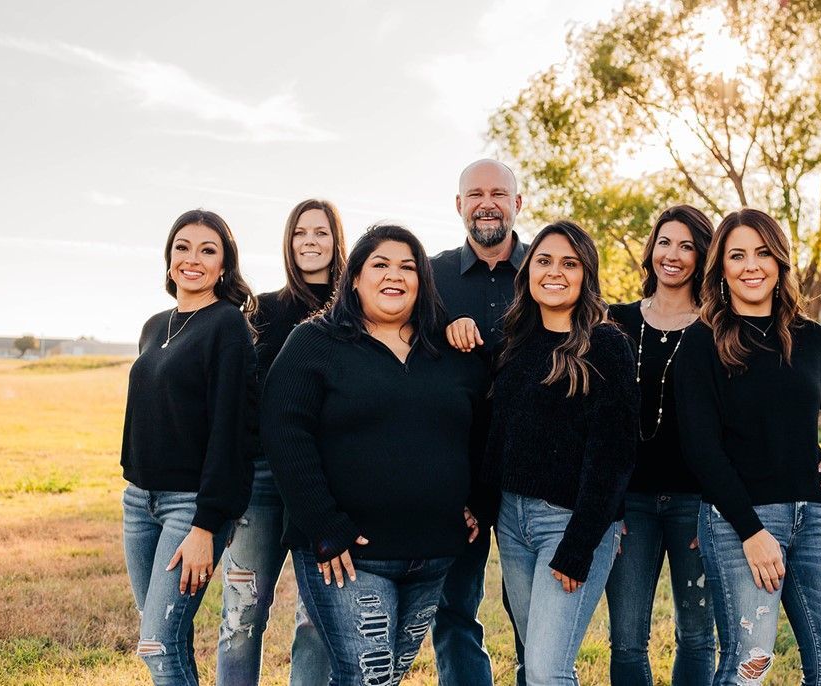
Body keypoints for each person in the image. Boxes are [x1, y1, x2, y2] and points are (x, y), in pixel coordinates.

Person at [261, 224, 489, 686]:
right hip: (350, 557)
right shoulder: (315, 343)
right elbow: (284, 432)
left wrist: (480, 501)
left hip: (433, 555)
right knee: (369, 679)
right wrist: (324, 526)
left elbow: (486, 432)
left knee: (382, 678)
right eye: (380, 265)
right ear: (356, 278)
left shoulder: (451, 351)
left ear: (423, 282)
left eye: (408, 267)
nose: (395, 275)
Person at [674, 208, 821, 686]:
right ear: (721, 267)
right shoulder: (701, 344)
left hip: (817, 520)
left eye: (762, 253)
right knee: (749, 663)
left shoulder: (810, 338)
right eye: (737, 255)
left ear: (779, 262)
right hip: (740, 521)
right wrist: (751, 531)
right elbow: (702, 450)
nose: (751, 265)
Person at [483, 220, 639, 685]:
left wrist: (578, 546)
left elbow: (613, 456)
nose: (555, 272)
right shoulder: (515, 341)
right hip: (512, 522)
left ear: (586, 275)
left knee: (549, 671)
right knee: (535, 664)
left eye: (569, 263)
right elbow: (499, 436)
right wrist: (482, 504)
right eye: (544, 261)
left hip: (570, 524)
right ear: (528, 272)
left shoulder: (607, 345)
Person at [121, 209, 257, 685]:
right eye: (182, 247)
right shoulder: (154, 325)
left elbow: (231, 433)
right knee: (164, 637)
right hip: (139, 502)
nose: (192, 259)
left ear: (224, 265)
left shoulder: (228, 327)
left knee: (156, 644)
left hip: (189, 509)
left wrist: (206, 524)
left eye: (207, 250)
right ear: (169, 258)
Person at [218, 199, 346, 686]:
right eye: (300, 233)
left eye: (321, 232)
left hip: (326, 480)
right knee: (241, 614)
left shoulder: (353, 312)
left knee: (318, 621)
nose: (310, 242)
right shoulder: (263, 310)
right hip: (264, 480)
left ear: (337, 241)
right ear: (288, 243)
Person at [605, 205, 717, 685]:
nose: (673, 255)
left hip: (697, 502)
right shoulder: (615, 321)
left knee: (696, 636)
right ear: (651, 249)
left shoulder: (717, 329)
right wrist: (608, 504)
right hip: (630, 504)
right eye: (665, 242)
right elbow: (599, 420)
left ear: (702, 257)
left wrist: (718, 508)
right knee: (627, 638)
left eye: (687, 245)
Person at [430, 158, 528, 686]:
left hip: (530, 470)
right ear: (460, 205)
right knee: (453, 608)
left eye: (498, 192)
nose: (486, 202)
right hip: (455, 469)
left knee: (531, 611)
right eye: (475, 193)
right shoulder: (430, 275)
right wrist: (446, 326)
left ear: (517, 203)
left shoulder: (550, 266)